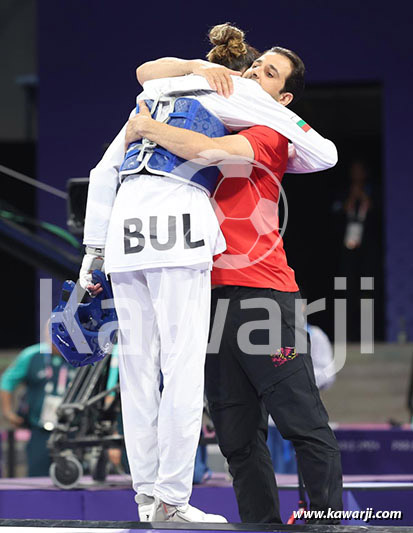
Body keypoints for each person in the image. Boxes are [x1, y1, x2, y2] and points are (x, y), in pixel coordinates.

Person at [80, 24, 338, 523]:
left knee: (300, 421)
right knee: (236, 434)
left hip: (261, 292)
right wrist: (197, 70)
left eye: (268, 73)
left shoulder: (266, 131)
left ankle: (325, 520)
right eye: (253, 66)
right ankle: (234, 517)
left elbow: (212, 146)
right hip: (204, 281)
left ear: (282, 97)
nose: (252, 75)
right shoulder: (213, 102)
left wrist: (150, 127)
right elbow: (150, 78)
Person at [0, 340, 75, 476]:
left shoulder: (80, 354)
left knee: (71, 476)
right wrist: (7, 412)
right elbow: (7, 381)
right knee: (38, 477)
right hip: (39, 430)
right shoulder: (32, 354)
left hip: (73, 430)